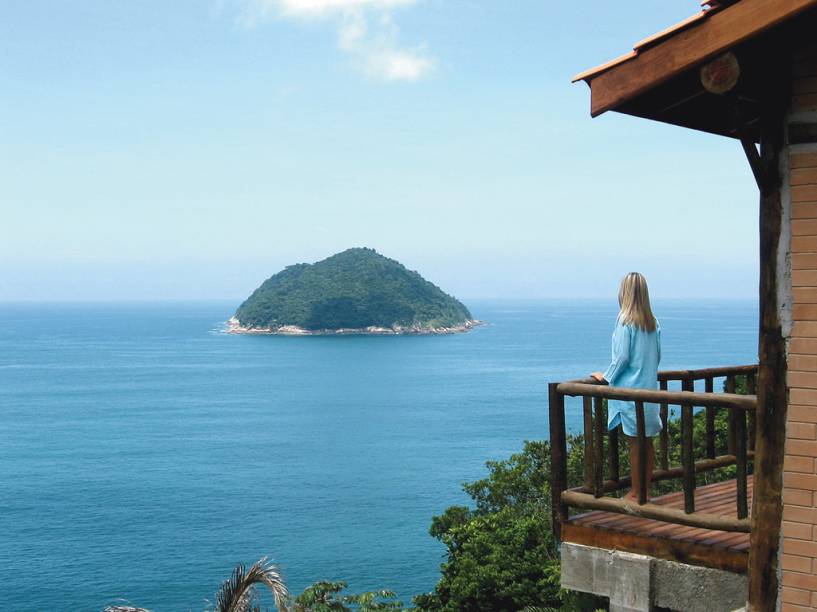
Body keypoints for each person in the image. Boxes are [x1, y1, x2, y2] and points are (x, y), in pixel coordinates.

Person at [591, 272, 661, 502]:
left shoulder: (625, 320)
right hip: (649, 390)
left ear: (625, 293)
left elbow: (621, 357)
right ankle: (647, 491)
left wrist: (606, 377)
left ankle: (635, 493)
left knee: (634, 444)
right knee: (647, 443)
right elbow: (657, 356)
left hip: (630, 392)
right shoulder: (652, 322)